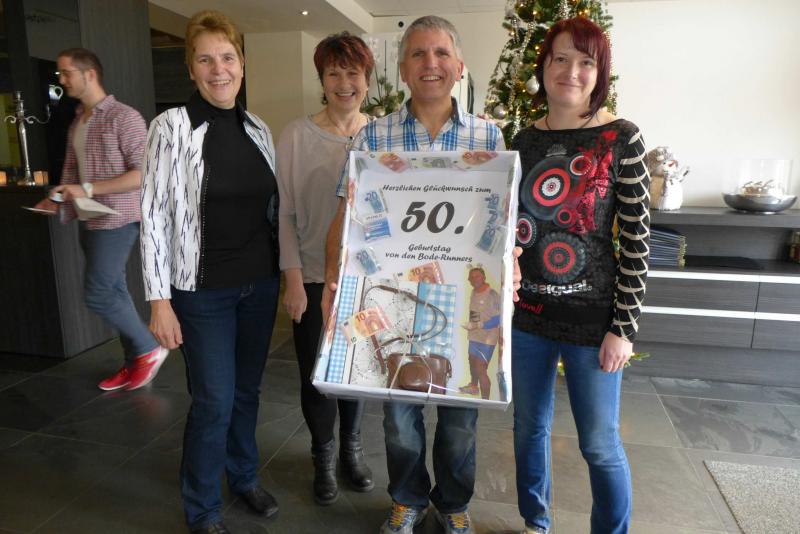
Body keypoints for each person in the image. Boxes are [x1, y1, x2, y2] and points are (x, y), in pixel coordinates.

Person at [324, 15, 505, 534]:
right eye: (419, 54)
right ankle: (407, 498)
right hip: (394, 295)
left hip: (463, 298)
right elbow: (348, 215)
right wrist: (334, 283)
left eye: (442, 53)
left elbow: (500, 219)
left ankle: (452, 504)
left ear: (459, 66)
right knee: (399, 417)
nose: (431, 64)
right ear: (403, 69)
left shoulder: (487, 134)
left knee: (461, 418)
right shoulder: (373, 135)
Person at [140, 10, 280, 534]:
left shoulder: (258, 128)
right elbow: (153, 214)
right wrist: (159, 300)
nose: (218, 69)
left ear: (242, 63)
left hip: (259, 285)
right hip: (201, 293)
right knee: (214, 400)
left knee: (246, 393)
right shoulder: (171, 127)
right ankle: (202, 507)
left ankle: (243, 477)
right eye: (205, 59)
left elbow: (270, 211)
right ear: (191, 68)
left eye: (227, 57)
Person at [510, 16, 650, 534]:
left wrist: (623, 329)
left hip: (593, 323)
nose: (571, 71)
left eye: (585, 61)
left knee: (599, 444)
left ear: (599, 72)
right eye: (561, 59)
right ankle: (535, 522)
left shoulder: (622, 138)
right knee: (528, 430)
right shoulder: (523, 140)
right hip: (527, 318)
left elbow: (637, 241)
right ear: (544, 67)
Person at [275, 32, 375, 506]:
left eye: (352, 72)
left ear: (367, 79)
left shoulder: (380, 135)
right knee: (316, 374)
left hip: (364, 279)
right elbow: (285, 214)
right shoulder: (296, 136)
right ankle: (323, 454)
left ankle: (352, 450)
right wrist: (293, 281)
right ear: (321, 80)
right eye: (333, 73)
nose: (344, 83)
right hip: (314, 276)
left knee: (356, 372)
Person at [34, 48, 168, 391]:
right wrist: (56, 199)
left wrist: (88, 189)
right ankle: (135, 361)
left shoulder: (125, 117)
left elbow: (143, 174)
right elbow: (72, 171)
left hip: (118, 218)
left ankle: (149, 348)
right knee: (115, 290)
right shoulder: (79, 120)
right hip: (89, 217)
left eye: (66, 73)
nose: (62, 80)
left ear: (89, 74)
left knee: (98, 294)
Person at [459, 267, 501, 400]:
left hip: (488, 338)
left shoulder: (492, 294)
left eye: (477, 276)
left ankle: (485, 400)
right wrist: (472, 325)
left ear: (483, 277)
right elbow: (475, 312)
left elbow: (498, 318)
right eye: (471, 277)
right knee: (472, 363)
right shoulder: (473, 292)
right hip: (474, 335)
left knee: (480, 369)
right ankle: (473, 386)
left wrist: (477, 325)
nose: (474, 279)